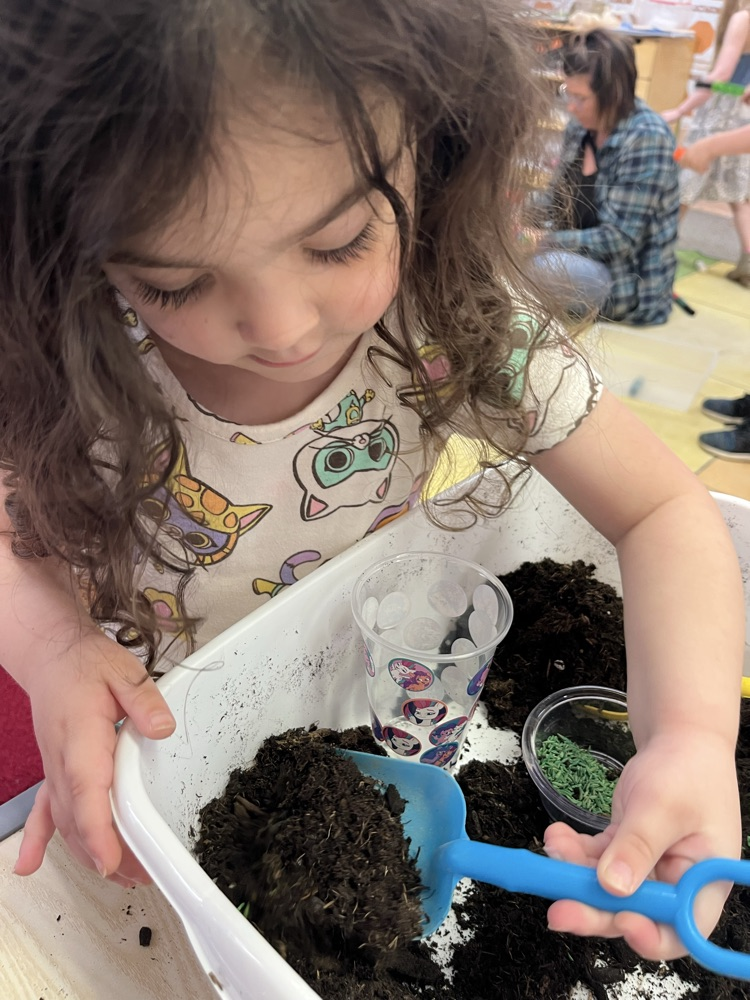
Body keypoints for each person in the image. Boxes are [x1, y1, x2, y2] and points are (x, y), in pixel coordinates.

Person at [0, 0, 744, 967]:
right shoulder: (63, 343)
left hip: (358, 683)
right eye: (174, 283)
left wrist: (689, 736)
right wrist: (55, 649)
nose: (282, 328)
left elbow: (663, 509)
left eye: (342, 239)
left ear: (434, 149)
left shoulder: (451, 321)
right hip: (157, 724)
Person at [535, 29, 679, 325]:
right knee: (498, 253)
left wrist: (543, 240)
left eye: (580, 98)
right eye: (567, 94)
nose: (571, 107)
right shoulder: (581, 127)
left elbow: (619, 239)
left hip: (624, 282)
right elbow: (554, 199)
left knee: (533, 269)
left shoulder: (646, 136)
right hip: (578, 259)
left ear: (613, 95)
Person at [663, 0, 750, 287]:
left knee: (686, 182)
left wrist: (681, 109)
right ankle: (748, 261)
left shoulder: (743, 18)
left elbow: (721, 74)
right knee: (739, 194)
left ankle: (658, 246)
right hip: (744, 113)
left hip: (723, 109)